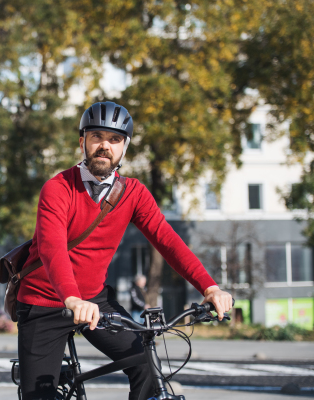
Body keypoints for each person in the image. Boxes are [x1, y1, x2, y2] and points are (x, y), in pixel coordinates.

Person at [16, 101, 233, 400]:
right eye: (97, 137)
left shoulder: (134, 193)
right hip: (45, 302)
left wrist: (209, 287)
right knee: (39, 396)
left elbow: (168, 241)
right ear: (83, 142)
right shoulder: (58, 188)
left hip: (95, 302)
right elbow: (53, 250)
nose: (105, 146)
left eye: (115, 139)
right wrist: (72, 298)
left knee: (147, 365)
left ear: (124, 148)